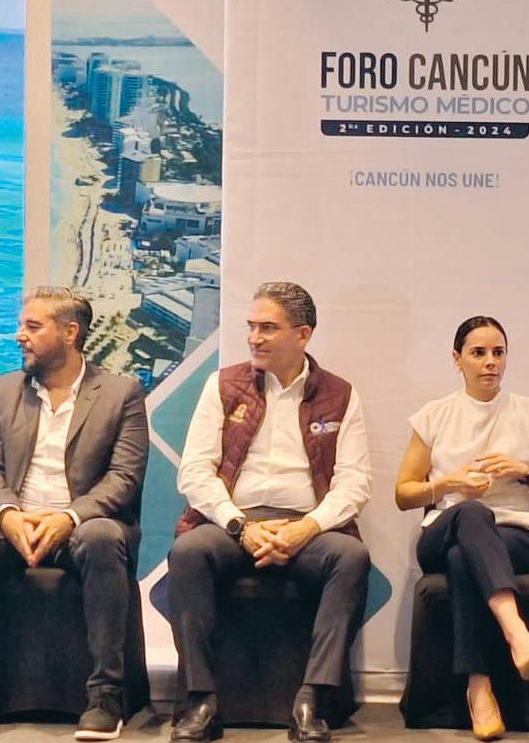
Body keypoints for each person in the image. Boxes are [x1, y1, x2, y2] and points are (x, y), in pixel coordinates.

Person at [0, 287, 149, 741]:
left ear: (70, 332)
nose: (19, 336)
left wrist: (68, 518)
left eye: (32, 326)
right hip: (16, 523)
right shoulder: (4, 389)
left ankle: (105, 695)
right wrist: (8, 514)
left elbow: (124, 479)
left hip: (82, 526)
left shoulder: (121, 392)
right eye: (21, 325)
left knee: (104, 536)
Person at [169, 282, 371, 743]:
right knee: (188, 553)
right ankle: (201, 701)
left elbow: (354, 483)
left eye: (267, 328)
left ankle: (312, 701)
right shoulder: (224, 384)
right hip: (233, 521)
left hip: (306, 525)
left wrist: (306, 528)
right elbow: (194, 472)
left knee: (351, 557)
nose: (254, 338)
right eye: (251, 327)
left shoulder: (340, 394)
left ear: (302, 334)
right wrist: (240, 525)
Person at [394, 316, 529, 741]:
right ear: (457, 360)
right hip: (443, 530)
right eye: (478, 353)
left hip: (517, 537)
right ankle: (516, 633)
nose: (490, 362)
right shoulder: (434, 415)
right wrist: (450, 483)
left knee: (464, 557)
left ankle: (479, 688)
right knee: (471, 513)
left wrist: (526, 472)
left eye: (498, 352)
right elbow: (404, 494)